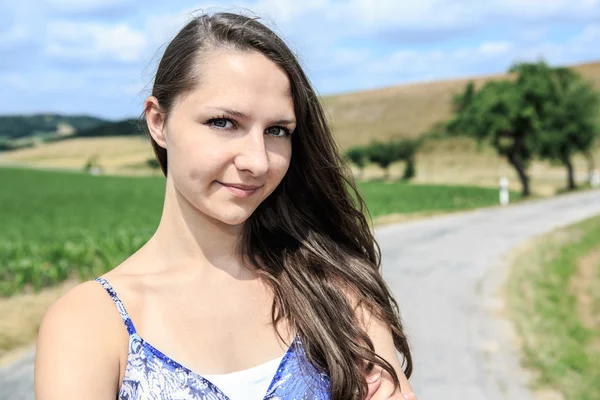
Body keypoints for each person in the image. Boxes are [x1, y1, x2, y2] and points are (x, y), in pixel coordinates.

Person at [34, 11, 416, 400]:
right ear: (158, 121)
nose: (257, 161)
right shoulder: (89, 325)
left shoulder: (335, 294)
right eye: (223, 122)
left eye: (277, 131)